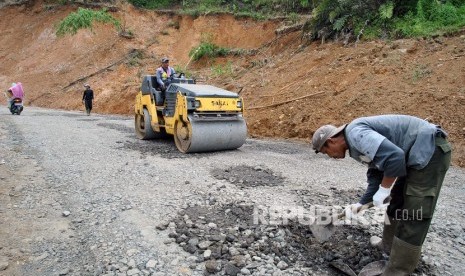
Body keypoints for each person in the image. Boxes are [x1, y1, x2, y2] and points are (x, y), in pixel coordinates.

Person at [311, 114, 451, 275]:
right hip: (412, 155)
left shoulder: (356, 134)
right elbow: (376, 172)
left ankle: (397, 270)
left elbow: (394, 157)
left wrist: (384, 190)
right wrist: (361, 203)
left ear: (331, 141)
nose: (330, 156)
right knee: (397, 200)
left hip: (429, 151)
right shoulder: (354, 143)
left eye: (326, 151)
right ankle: (388, 246)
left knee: (415, 211)